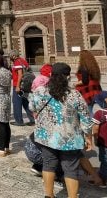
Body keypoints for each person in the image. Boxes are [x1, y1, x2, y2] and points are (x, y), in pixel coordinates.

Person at [29, 63, 93, 198]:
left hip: (47, 136)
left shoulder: (40, 91)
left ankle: (49, 195)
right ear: (68, 77)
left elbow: (32, 107)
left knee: (48, 165)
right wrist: (88, 137)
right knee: (70, 169)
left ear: (51, 75)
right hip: (69, 138)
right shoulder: (74, 95)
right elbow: (86, 118)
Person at [9, 49, 34, 126]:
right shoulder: (23, 60)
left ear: (13, 55)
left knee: (16, 102)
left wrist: (17, 86)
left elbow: (20, 74)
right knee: (25, 102)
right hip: (25, 85)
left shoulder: (17, 62)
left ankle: (19, 121)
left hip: (19, 85)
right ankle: (32, 119)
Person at [75, 50, 103, 116]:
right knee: (90, 109)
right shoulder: (93, 66)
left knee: (88, 111)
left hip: (86, 91)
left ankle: (92, 125)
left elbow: (85, 81)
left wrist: (75, 84)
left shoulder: (83, 67)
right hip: (94, 89)